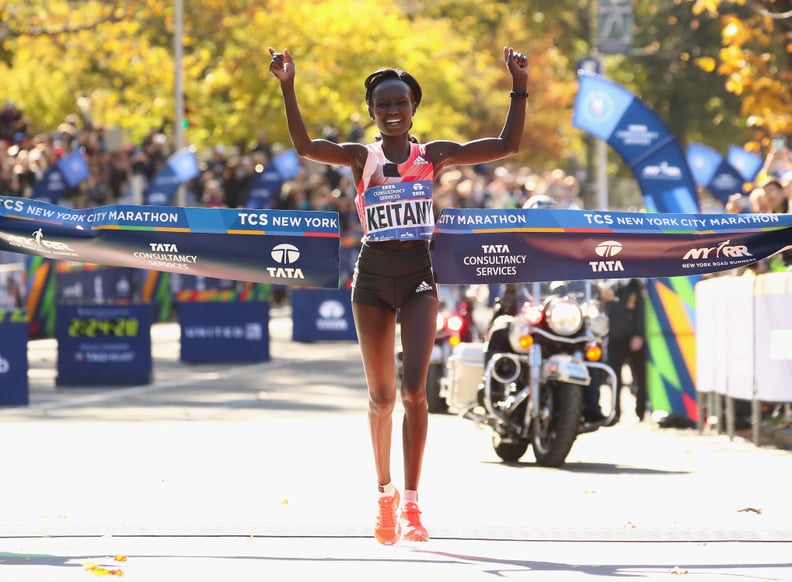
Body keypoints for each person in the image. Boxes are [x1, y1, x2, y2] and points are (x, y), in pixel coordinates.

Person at [269, 45, 529, 544]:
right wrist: (288, 84)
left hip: (417, 276)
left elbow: (507, 145)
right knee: (382, 398)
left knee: (415, 392)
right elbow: (304, 146)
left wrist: (518, 85)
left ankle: (412, 505)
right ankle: (383, 496)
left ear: (414, 110)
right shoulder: (358, 157)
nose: (392, 111)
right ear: (372, 111)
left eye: (401, 104)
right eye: (383, 105)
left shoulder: (433, 155)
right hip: (371, 279)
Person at [602, 278, 648, 425]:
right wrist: (603, 335)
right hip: (615, 339)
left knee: (640, 377)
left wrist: (639, 335)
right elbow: (606, 313)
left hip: (634, 338)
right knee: (614, 377)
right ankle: (615, 413)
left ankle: (641, 411)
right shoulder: (612, 288)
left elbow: (641, 313)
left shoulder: (637, 287)